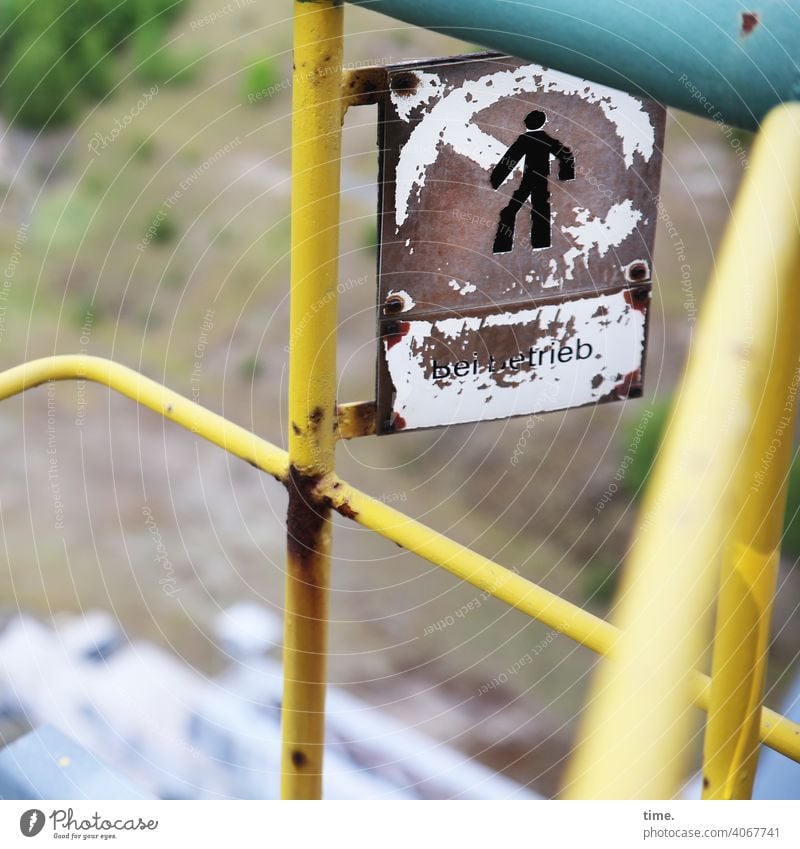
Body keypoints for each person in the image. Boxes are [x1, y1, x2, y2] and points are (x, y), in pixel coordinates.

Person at [490, 110, 575, 252]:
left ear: (528, 122)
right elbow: (566, 154)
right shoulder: (545, 138)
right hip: (541, 181)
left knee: (509, 211)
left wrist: (495, 180)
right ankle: (541, 243)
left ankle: (502, 245)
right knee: (540, 209)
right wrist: (565, 175)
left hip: (529, 181)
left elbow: (510, 160)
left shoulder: (525, 139)